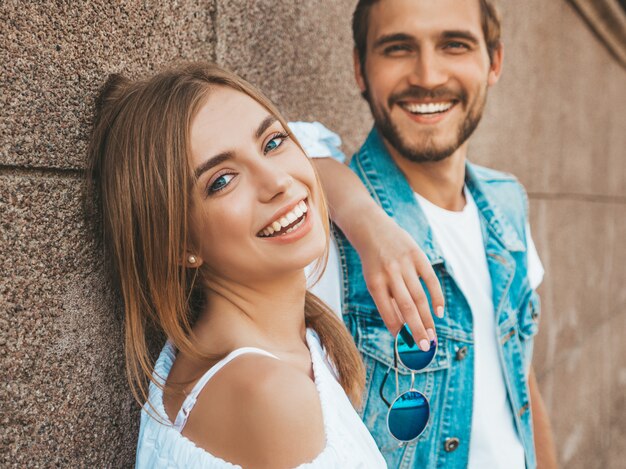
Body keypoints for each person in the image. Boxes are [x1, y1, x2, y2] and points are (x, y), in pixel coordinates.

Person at [293, 0, 559, 468]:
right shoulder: (327, 242)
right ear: (360, 69)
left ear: (493, 62)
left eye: (454, 45)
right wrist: (362, 217)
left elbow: (522, 381)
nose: (428, 75)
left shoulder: (507, 203)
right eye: (398, 48)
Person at [86, 62, 390, 468]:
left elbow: (318, 146)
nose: (277, 181)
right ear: (179, 242)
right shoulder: (266, 394)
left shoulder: (275, 345)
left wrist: (371, 224)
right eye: (222, 181)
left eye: (273, 142)